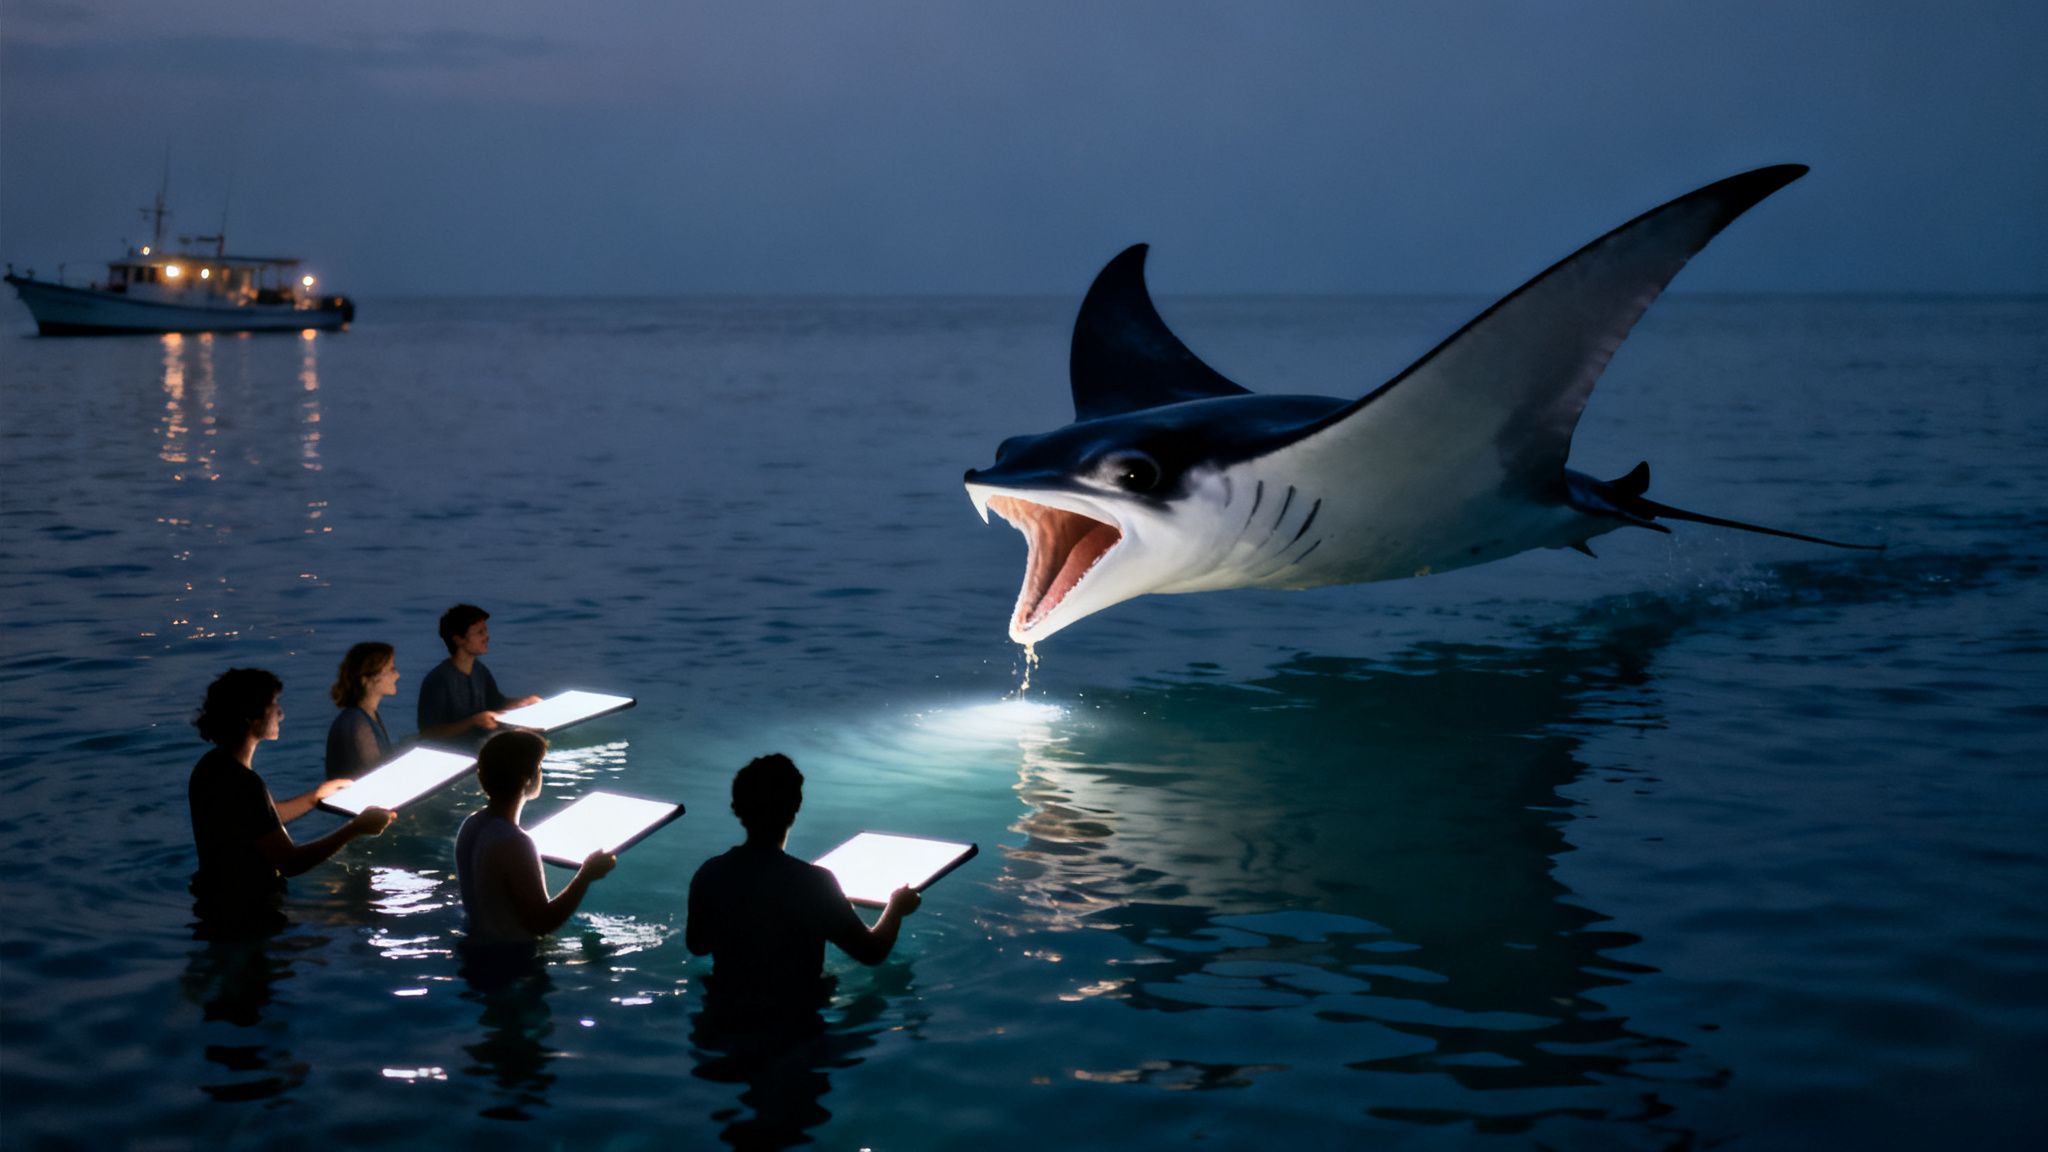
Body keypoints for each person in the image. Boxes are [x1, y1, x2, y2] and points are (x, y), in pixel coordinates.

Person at [686, 754, 920, 1021]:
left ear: (737, 808)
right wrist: (896, 907)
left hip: (723, 1018)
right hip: (794, 1023)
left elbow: (698, 946)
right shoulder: (814, 883)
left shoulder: (710, 873)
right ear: (795, 807)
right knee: (874, 1007)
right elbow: (871, 952)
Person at [188, 668, 396, 921]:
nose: (281, 713)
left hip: (215, 900)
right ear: (250, 716)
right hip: (251, 912)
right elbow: (290, 862)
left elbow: (259, 822)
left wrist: (315, 797)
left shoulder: (211, 766)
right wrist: (356, 828)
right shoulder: (245, 783)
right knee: (359, 915)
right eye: (273, 704)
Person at [453, 730, 616, 950]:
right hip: (512, 963)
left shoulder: (471, 825)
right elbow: (541, 923)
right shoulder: (515, 842)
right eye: (539, 767)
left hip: (474, 947)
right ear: (527, 779)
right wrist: (585, 876)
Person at [417, 604, 540, 743]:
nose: (487, 637)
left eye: (486, 631)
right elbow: (428, 732)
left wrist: (524, 702)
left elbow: (496, 703)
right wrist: (473, 721)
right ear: (459, 639)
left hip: (481, 742)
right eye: (480, 632)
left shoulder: (479, 670)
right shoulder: (439, 680)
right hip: (455, 753)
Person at [326, 642, 400, 780]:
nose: (397, 675)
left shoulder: (368, 716)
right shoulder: (357, 724)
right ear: (367, 679)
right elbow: (376, 778)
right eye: (391, 669)